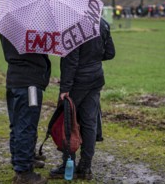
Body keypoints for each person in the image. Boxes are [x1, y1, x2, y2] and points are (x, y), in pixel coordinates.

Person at [49, 18, 116, 180]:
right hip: (95, 78)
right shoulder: (103, 23)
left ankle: (68, 164)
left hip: (77, 82)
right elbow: (110, 53)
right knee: (89, 122)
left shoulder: (72, 25)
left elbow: (71, 61)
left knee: (68, 121)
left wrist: (65, 88)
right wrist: (92, 60)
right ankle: (86, 167)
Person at [0, 34, 50, 184]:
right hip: (30, 84)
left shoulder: (8, 25)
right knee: (27, 125)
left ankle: (20, 160)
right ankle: (24, 172)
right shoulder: (31, 27)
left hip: (14, 80)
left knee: (16, 124)